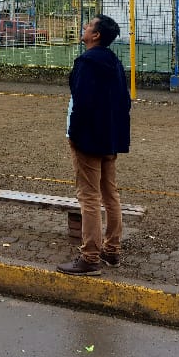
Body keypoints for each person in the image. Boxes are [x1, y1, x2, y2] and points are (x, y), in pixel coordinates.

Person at [57, 14, 131, 276]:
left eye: (88, 25)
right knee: (110, 194)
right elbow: (125, 103)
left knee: (88, 197)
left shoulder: (87, 62)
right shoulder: (114, 62)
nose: (84, 27)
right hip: (109, 139)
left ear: (96, 35)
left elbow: (82, 103)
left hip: (88, 139)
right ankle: (112, 250)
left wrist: (74, 135)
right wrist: (115, 135)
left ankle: (90, 257)